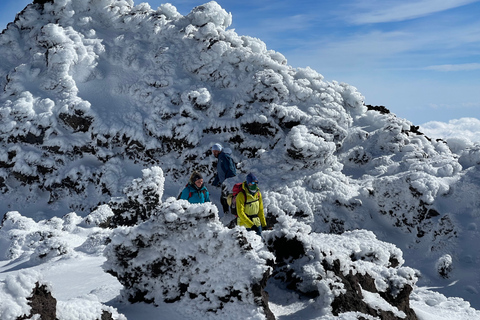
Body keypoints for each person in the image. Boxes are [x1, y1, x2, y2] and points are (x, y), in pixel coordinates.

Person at [211, 143, 236, 213]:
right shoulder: (220, 158)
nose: (214, 153)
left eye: (216, 151)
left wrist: (228, 182)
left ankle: (231, 214)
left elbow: (231, 170)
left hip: (228, 184)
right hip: (225, 183)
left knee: (228, 200)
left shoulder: (225, 157)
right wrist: (215, 183)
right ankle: (227, 214)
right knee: (224, 200)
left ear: (220, 150)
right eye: (213, 152)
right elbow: (220, 173)